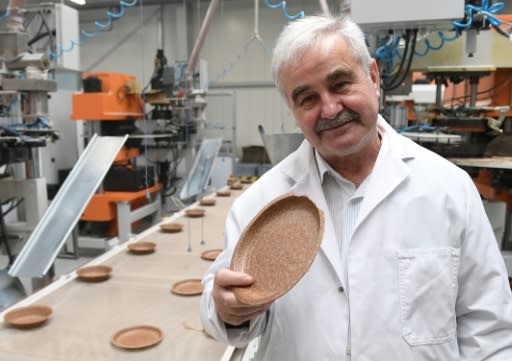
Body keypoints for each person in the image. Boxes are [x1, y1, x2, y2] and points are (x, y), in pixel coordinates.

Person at [200, 14, 512, 360]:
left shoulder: (448, 189)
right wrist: (229, 311)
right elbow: (224, 311)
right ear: (292, 109)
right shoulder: (260, 203)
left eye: (341, 84)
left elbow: (490, 328)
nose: (330, 109)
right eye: (307, 99)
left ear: (374, 77)